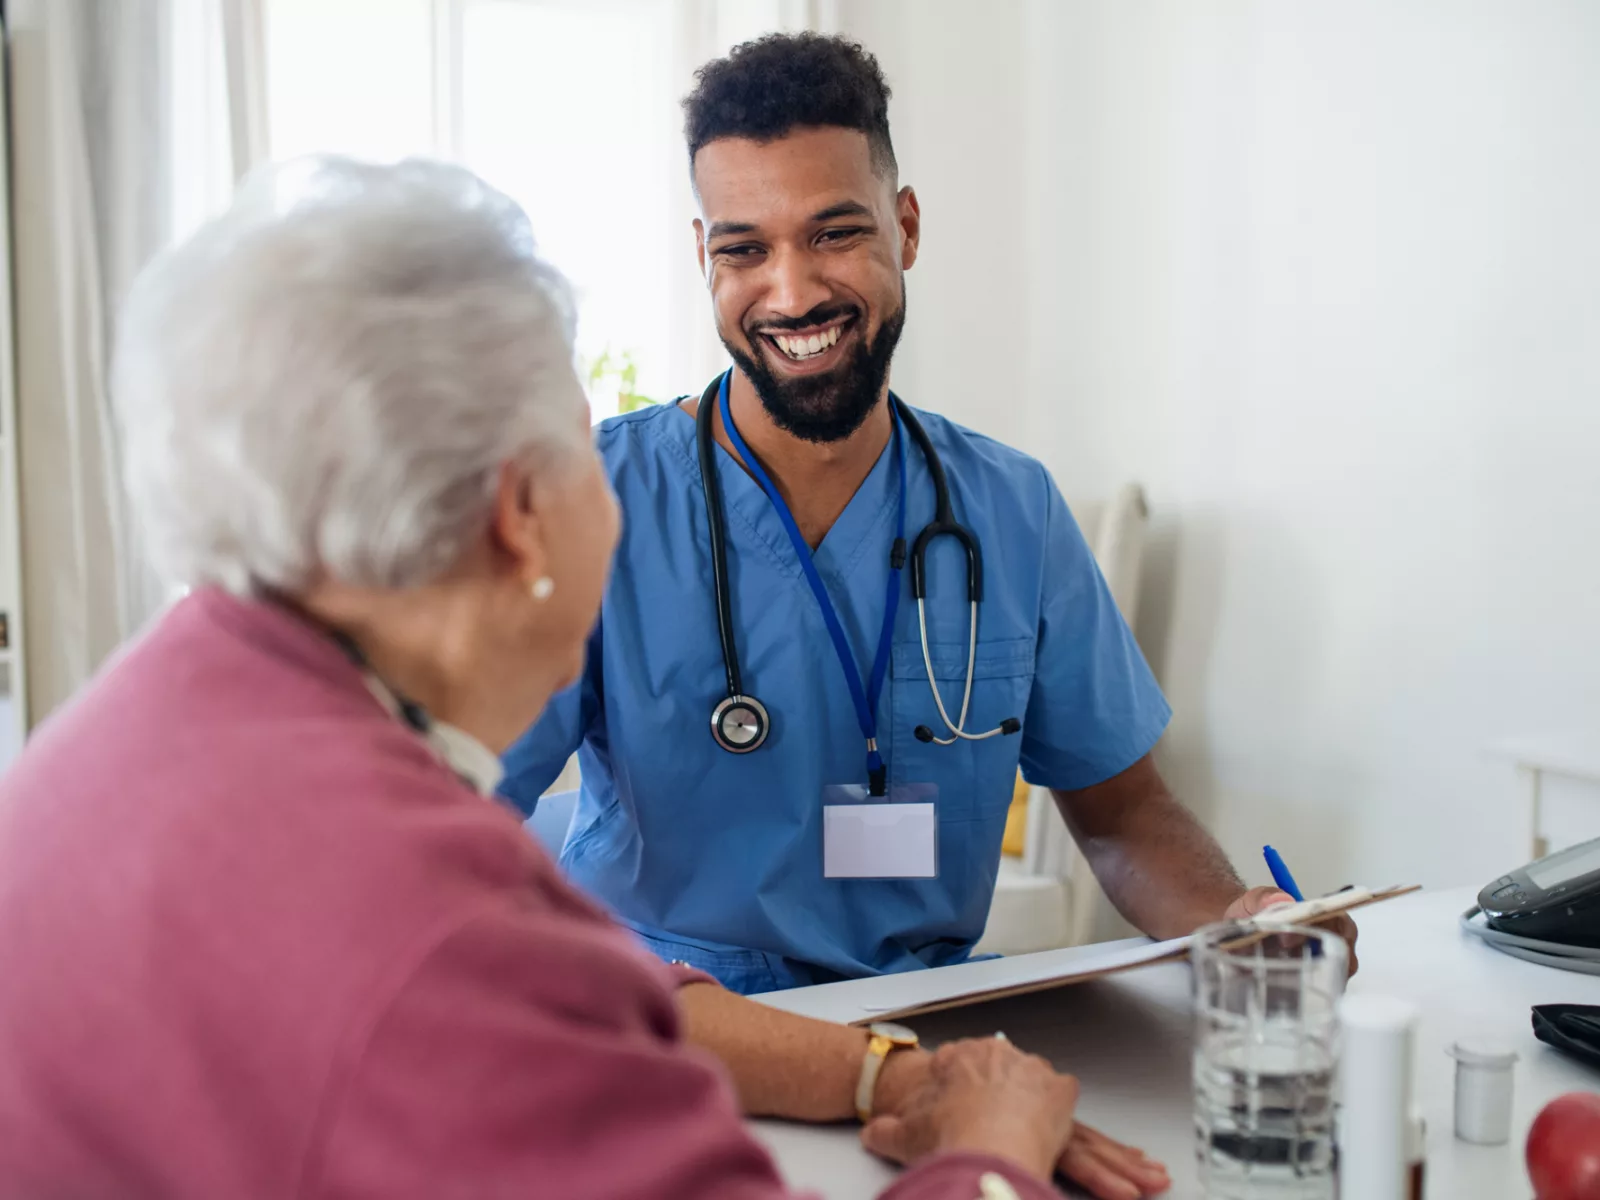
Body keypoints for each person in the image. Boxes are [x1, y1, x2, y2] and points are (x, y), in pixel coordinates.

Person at [0, 157, 1169, 1200]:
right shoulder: (454, 939)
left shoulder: (115, 734)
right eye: (582, 451)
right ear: (520, 511)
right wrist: (992, 1153)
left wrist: (871, 1074)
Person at [502, 32, 1358, 993]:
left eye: (836, 233)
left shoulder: (1011, 511)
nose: (792, 293)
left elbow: (1122, 817)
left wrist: (1236, 920)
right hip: (667, 1026)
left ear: (905, 227)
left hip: (922, 1016)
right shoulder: (594, 500)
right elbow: (461, 811)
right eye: (746, 249)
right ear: (704, 256)